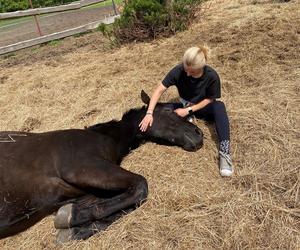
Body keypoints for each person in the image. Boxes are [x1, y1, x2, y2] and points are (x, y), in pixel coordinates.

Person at [139, 46, 233, 177]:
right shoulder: (178, 70)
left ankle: (225, 153)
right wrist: (149, 113)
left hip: (201, 107)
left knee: (219, 106)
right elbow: (160, 89)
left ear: (201, 68)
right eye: (186, 69)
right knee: (161, 109)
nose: (188, 74)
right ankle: (155, 106)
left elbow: (210, 99)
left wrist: (188, 110)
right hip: (184, 104)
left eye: (192, 72)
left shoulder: (212, 76)